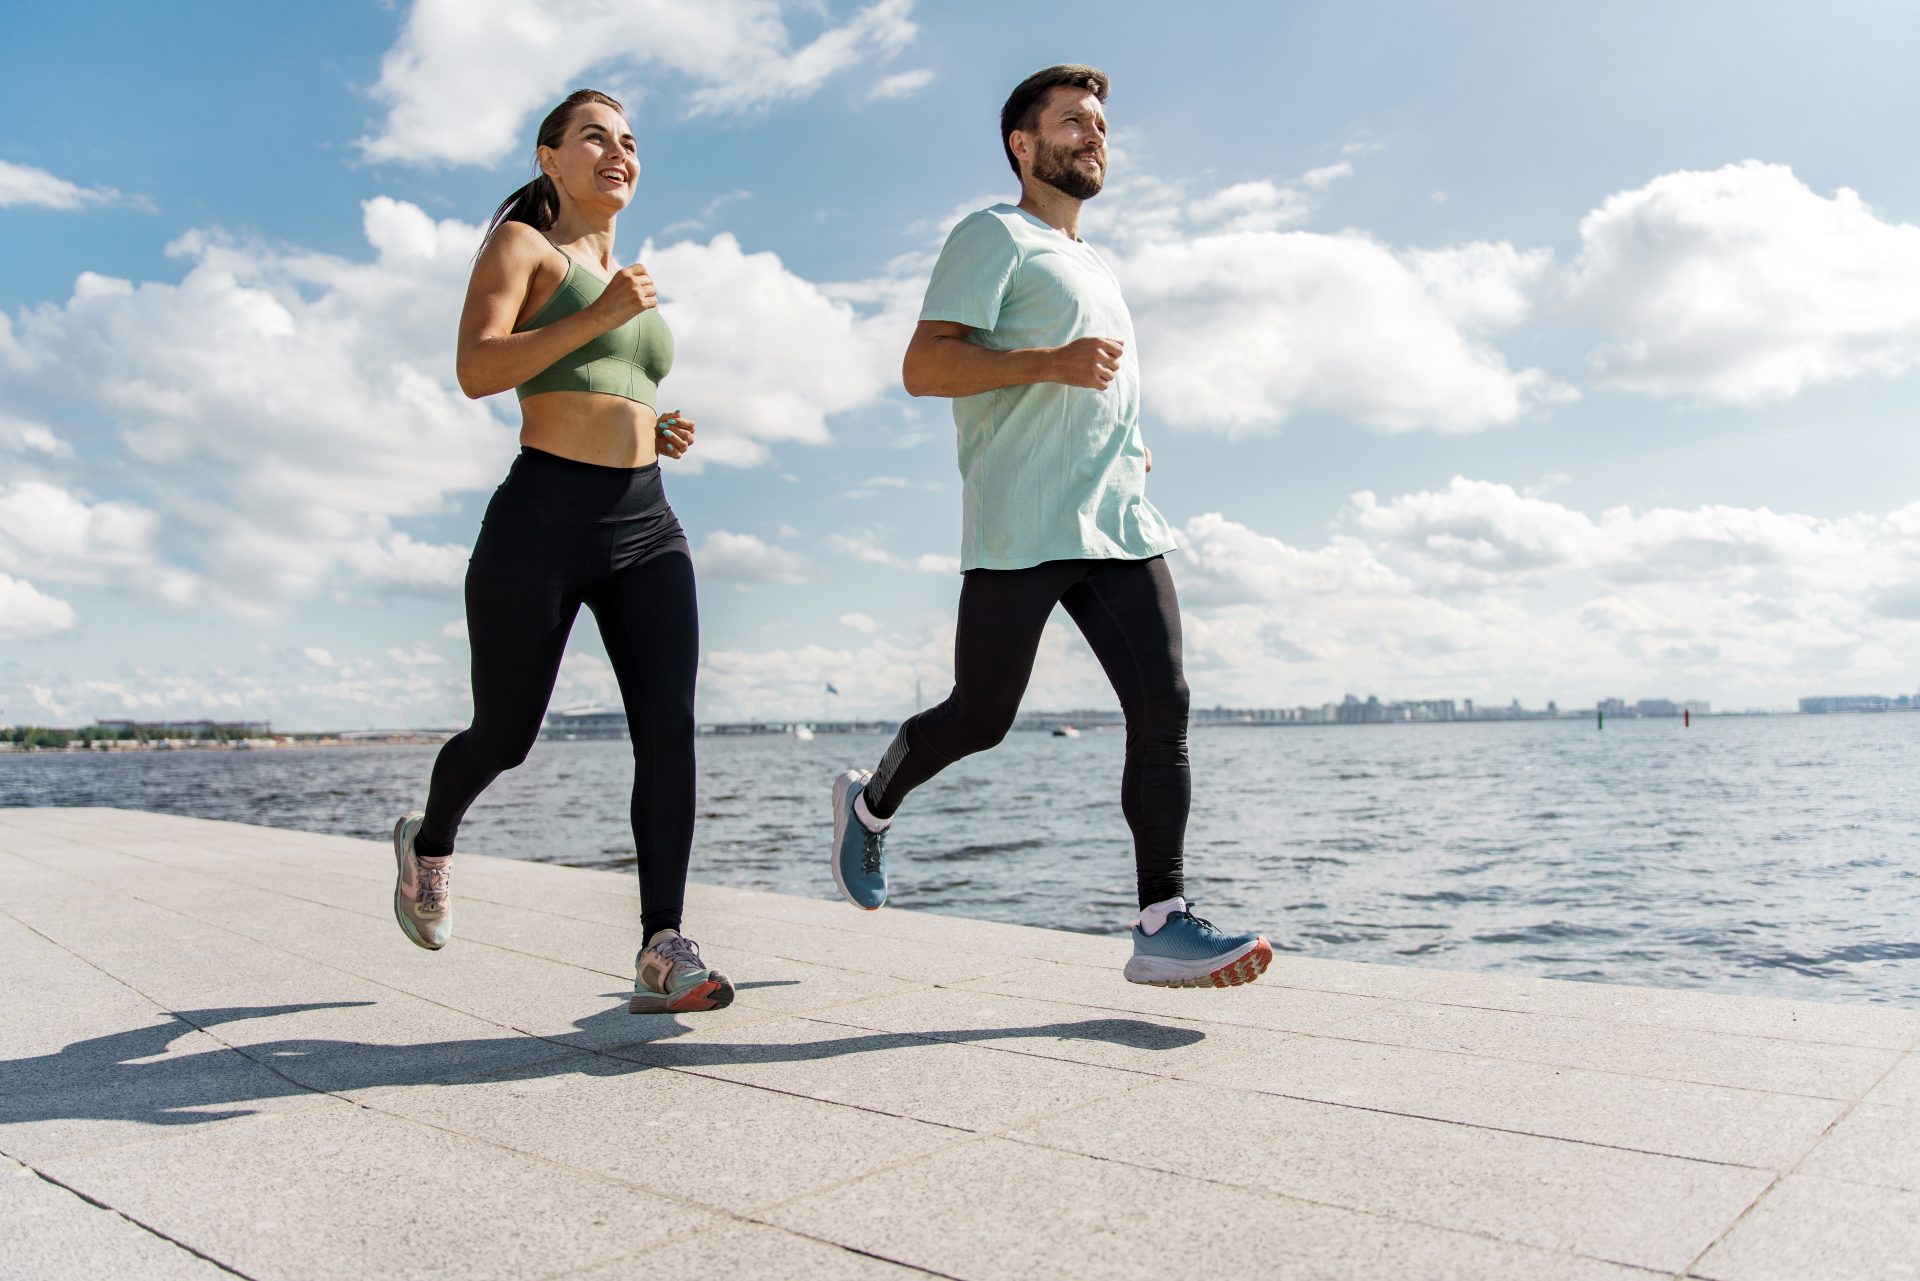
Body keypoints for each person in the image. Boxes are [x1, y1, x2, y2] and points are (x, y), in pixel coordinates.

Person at [830, 65, 1271, 989]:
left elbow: (1095, 383)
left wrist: (1129, 442)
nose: (1094, 134)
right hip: (1023, 522)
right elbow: (924, 366)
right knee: (981, 715)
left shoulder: (1097, 264)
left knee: (1164, 705)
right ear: (1022, 146)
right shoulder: (994, 234)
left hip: (1116, 521)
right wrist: (1050, 362)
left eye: (1100, 123)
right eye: (1073, 121)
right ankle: (870, 804)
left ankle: (1162, 920)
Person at [391, 89, 732, 1015]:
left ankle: (663, 942)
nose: (619, 152)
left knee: (668, 729)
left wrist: (650, 424)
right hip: (540, 519)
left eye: (630, 141)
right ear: (549, 157)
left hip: (646, 521)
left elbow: (601, 378)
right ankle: (430, 839)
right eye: (595, 137)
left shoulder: (624, 276)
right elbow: (477, 368)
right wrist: (600, 313)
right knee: (506, 734)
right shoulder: (525, 248)